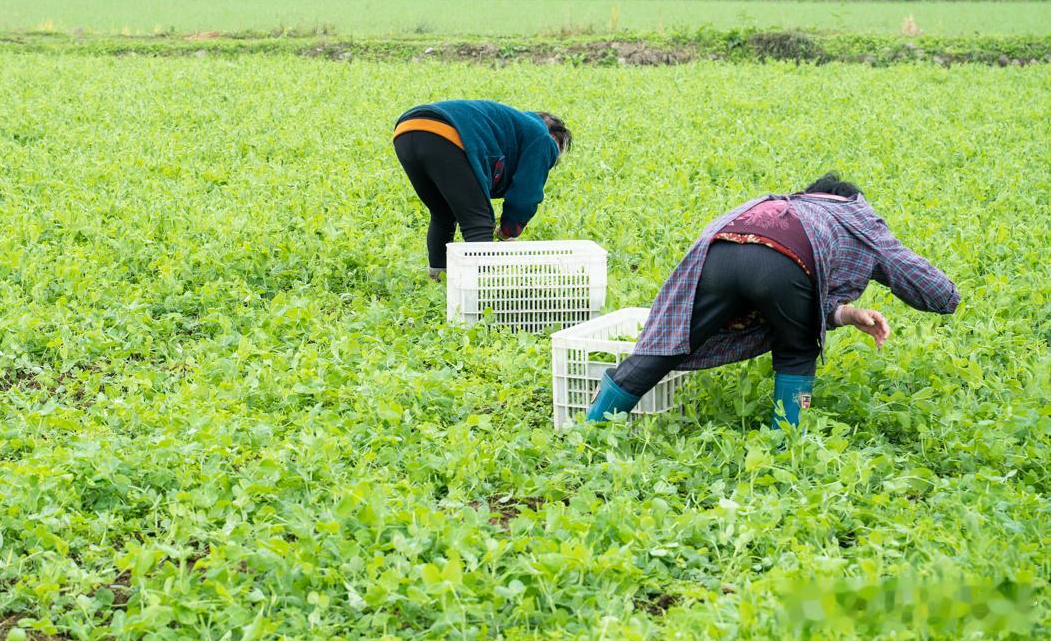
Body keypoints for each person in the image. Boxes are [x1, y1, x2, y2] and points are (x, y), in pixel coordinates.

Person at [586, 173, 959, 429]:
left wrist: (845, 314)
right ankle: (785, 443)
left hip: (719, 252)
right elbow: (935, 292)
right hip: (783, 264)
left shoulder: (788, 205)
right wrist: (952, 297)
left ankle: (590, 430)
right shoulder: (860, 221)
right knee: (796, 349)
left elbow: (806, 296)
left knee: (668, 347)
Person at [393, 100, 571, 279]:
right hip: (446, 132)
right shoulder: (542, 137)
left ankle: (438, 281)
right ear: (554, 137)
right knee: (478, 223)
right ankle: (480, 294)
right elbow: (526, 196)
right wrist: (507, 232)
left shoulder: (511, 126)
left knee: (443, 214)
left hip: (406, 131)